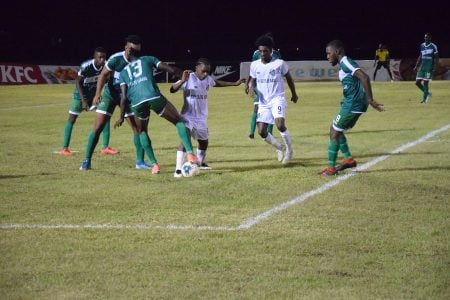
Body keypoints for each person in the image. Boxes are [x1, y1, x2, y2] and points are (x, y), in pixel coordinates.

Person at [114, 53, 199, 174]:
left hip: (137, 103)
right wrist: (182, 76)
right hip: (153, 96)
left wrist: (121, 117)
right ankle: (190, 154)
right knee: (178, 121)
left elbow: (123, 97)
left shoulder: (123, 73)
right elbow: (170, 69)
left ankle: (155, 165)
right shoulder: (148, 59)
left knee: (142, 131)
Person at [79, 35, 148, 171]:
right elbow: (103, 75)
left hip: (128, 98)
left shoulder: (139, 62)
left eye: (137, 51)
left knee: (138, 129)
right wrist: (98, 94)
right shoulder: (116, 59)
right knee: (98, 127)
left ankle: (140, 162)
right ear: (126, 48)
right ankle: (86, 161)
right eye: (132, 50)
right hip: (110, 95)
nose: (134, 53)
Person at [170, 58, 246, 178]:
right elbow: (172, 89)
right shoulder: (188, 78)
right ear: (197, 68)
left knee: (204, 142)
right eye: (204, 71)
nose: (206, 74)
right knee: (185, 140)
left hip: (201, 118)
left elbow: (217, 83)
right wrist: (182, 81)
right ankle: (178, 169)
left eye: (208, 72)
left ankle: (199, 163)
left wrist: (234, 83)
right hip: (188, 116)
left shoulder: (208, 79)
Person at [318, 40, 384, 176]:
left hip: (354, 104)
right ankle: (348, 159)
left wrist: (370, 99)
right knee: (336, 128)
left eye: (329, 53)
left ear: (337, 52)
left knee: (334, 132)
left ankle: (331, 168)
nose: (327, 56)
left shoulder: (346, 62)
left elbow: (364, 77)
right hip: (351, 102)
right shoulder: (343, 64)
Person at [57, 47, 119, 156]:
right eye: (100, 57)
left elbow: (109, 78)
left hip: (94, 96)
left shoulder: (106, 66)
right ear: (94, 57)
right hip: (80, 96)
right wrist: (83, 100)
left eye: (104, 57)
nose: (102, 60)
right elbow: (78, 82)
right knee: (72, 119)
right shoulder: (86, 66)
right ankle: (64, 148)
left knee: (105, 116)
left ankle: (105, 147)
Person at [247, 34, 298, 165]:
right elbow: (252, 79)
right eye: (260, 51)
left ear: (271, 51)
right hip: (264, 102)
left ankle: (290, 151)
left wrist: (294, 93)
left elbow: (289, 78)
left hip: (277, 99)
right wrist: (251, 87)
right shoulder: (255, 65)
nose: (262, 53)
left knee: (280, 124)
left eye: (265, 51)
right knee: (261, 131)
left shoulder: (279, 63)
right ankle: (279, 147)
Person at [245, 33, 281, 139]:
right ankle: (251, 133)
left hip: (272, 87)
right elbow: (253, 69)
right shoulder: (257, 53)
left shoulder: (277, 54)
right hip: (259, 85)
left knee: (271, 110)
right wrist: (248, 84)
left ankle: (269, 133)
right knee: (256, 107)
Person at [414, 33, 439, 104]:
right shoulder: (422, 45)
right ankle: (428, 93)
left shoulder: (433, 46)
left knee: (425, 83)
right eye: (425, 37)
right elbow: (420, 56)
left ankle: (425, 100)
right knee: (417, 83)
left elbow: (437, 58)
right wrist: (416, 66)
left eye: (427, 38)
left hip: (429, 68)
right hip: (422, 67)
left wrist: (435, 67)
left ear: (430, 38)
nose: (426, 39)